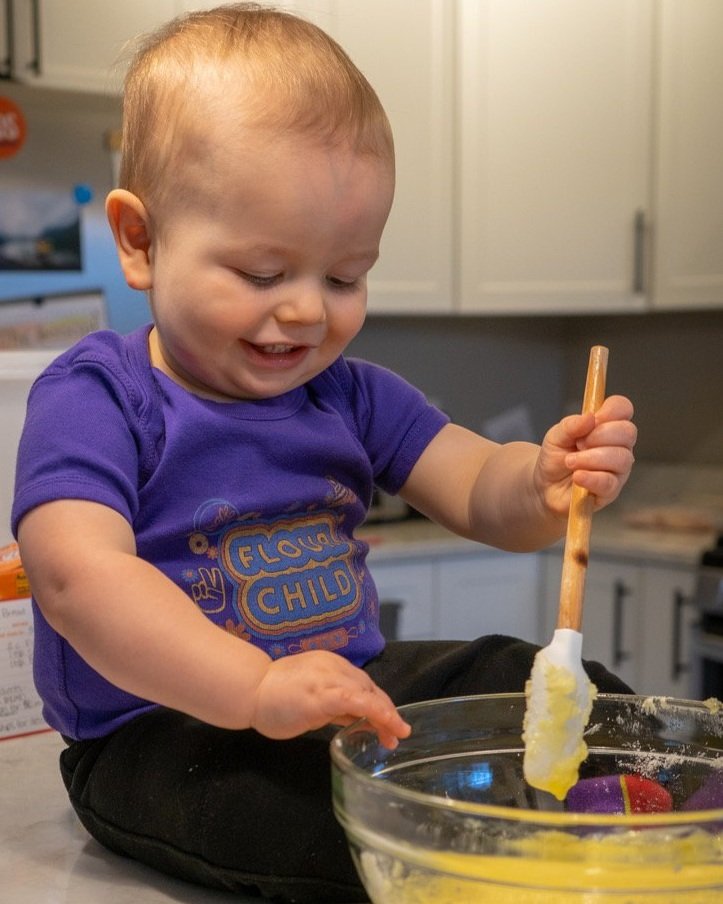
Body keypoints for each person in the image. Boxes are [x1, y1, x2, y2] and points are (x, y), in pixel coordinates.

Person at [12, 4, 637, 903]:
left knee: (510, 669)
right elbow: (78, 582)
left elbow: (473, 486)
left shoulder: (347, 392)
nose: (309, 310)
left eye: (345, 275)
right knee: (348, 815)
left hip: (346, 699)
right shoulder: (100, 396)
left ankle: (638, 809)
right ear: (140, 241)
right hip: (162, 735)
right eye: (264, 274)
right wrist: (253, 689)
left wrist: (540, 480)